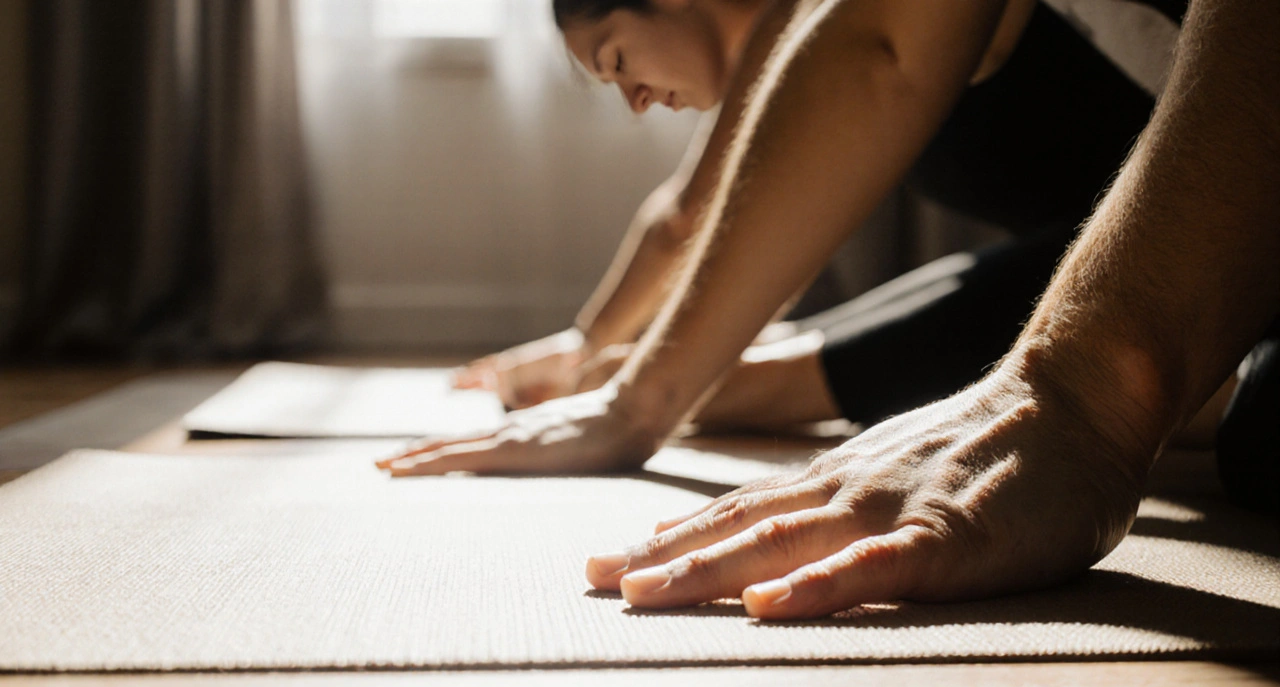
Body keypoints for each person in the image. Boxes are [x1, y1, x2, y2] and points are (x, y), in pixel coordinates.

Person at [379, 0, 1278, 618]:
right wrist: (630, 396)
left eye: (618, 61)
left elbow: (688, 213)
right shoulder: (828, 42)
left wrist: (1083, 398)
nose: (632, 100)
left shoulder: (807, 25)